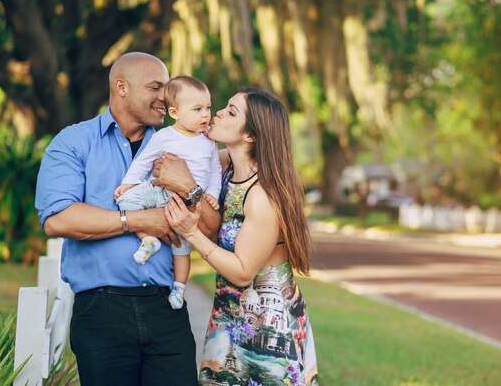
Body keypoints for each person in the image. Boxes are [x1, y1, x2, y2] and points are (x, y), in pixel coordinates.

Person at [35, 52, 219, 386]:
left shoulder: (183, 144)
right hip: (102, 310)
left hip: (168, 309)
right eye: (155, 87)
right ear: (121, 87)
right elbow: (58, 219)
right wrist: (139, 220)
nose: (166, 96)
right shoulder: (73, 142)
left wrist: (188, 185)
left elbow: (211, 229)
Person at [164, 88, 320, 386]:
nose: (218, 112)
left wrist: (190, 233)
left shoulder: (261, 195)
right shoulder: (224, 167)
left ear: (250, 135)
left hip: (267, 326)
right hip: (229, 317)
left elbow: (242, 271)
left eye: (231, 112)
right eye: (224, 107)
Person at [114, 75, 221, 309]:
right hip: (159, 193)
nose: (205, 114)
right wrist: (129, 182)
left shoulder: (209, 142)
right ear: (174, 113)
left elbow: (215, 171)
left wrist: (211, 193)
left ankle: (179, 288)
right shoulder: (164, 137)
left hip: (186, 204)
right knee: (125, 201)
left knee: (181, 249)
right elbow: (144, 161)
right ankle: (148, 239)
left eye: (208, 108)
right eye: (197, 109)